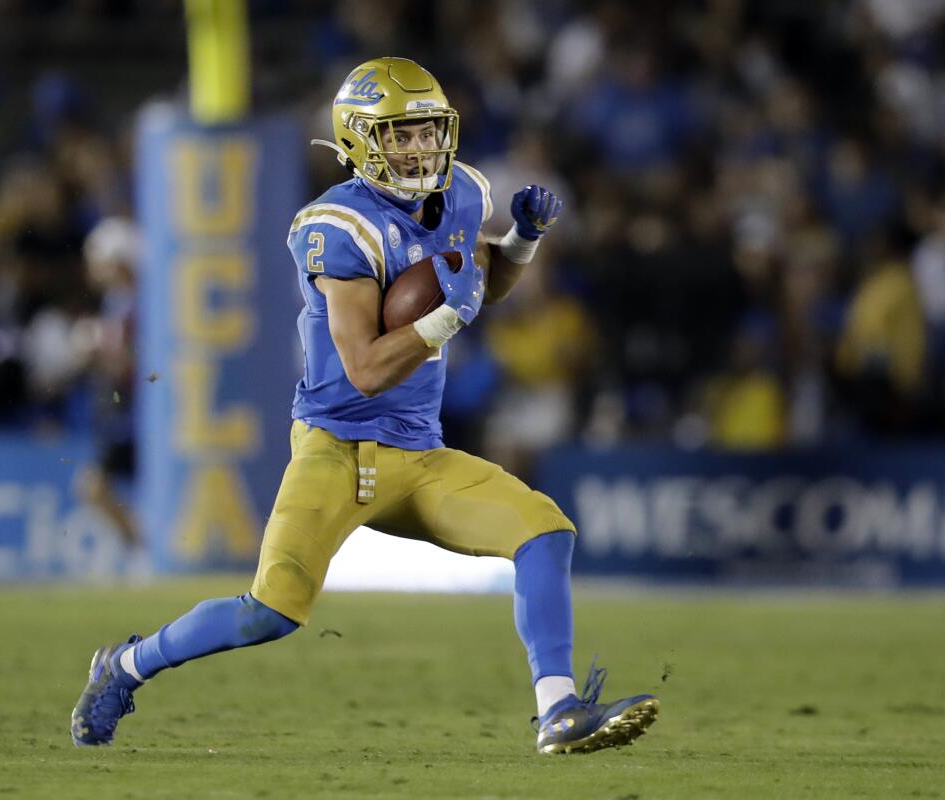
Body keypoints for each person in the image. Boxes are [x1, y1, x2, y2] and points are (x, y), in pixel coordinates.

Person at [70, 57, 658, 755]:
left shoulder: (465, 193)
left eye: (428, 132)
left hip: (418, 452)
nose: (420, 149)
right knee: (269, 613)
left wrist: (520, 244)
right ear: (359, 141)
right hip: (336, 450)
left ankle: (558, 712)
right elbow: (367, 368)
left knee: (543, 530)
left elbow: (475, 284)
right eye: (401, 136)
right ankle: (126, 665)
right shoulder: (338, 226)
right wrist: (448, 320)